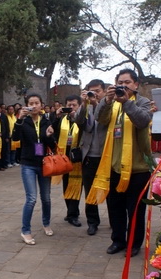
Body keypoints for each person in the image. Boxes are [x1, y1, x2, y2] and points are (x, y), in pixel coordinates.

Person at [94, 69, 152, 257]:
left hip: (138, 168)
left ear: (135, 85)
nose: (124, 86)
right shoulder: (113, 104)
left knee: (135, 209)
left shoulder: (143, 102)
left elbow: (142, 121)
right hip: (114, 165)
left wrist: (126, 101)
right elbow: (99, 118)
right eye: (120, 82)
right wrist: (107, 101)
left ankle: (134, 243)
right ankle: (118, 240)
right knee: (115, 207)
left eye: (127, 82)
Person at [12, 93, 56, 245]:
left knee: (46, 198)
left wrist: (50, 136)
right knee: (31, 199)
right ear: (26, 105)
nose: (34, 105)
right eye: (31, 103)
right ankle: (26, 231)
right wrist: (19, 118)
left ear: (41, 105)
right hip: (28, 164)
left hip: (44, 163)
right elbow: (15, 138)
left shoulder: (46, 121)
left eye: (37, 103)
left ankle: (46, 222)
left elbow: (51, 143)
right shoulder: (23, 121)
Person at [74, 79, 108, 235]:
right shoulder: (86, 107)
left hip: (106, 155)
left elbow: (105, 120)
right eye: (91, 91)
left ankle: (115, 220)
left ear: (104, 91)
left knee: (111, 192)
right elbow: (78, 121)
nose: (94, 94)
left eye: (97, 91)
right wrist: (83, 102)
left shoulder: (110, 106)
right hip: (88, 155)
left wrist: (96, 104)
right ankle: (92, 222)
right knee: (89, 191)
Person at [53, 95, 83, 227]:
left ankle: (73, 214)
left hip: (77, 158)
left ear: (79, 106)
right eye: (68, 105)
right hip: (63, 157)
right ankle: (70, 211)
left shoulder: (81, 120)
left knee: (75, 186)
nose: (71, 108)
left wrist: (76, 117)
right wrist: (56, 116)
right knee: (66, 186)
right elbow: (52, 132)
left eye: (74, 105)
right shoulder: (62, 120)